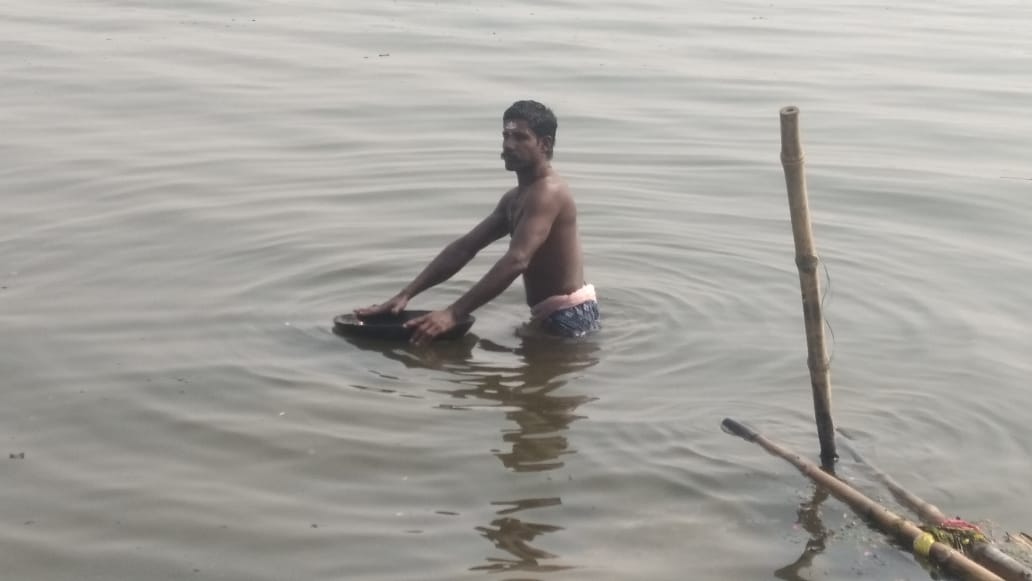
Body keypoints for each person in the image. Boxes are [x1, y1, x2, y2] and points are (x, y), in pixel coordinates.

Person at [355, 100, 600, 344]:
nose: (509, 145)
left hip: (569, 318)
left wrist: (453, 313)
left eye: (521, 137)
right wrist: (405, 295)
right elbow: (465, 248)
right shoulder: (515, 198)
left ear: (544, 144)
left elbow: (517, 260)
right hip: (550, 314)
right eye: (506, 135)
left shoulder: (548, 192)